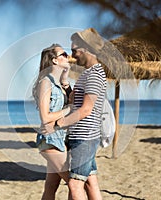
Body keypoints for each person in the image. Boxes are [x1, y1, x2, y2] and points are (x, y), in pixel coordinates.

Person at [54, 28, 107, 200]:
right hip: (82, 137)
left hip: (85, 138)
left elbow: (86, 109)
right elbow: (79, 104)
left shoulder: (95, 75)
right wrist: (68, 89)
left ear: (87, 49)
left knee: (75, 184)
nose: (72, 55)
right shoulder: (88, 74)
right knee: (90, 183)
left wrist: (60, 123)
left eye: (75, 50)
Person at [32, 43, 72, 200]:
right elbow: (45, 116)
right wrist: (68, 109)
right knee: (75, 183)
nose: (68, 56)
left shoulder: (59, 84)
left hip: (60, 138)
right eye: (64, 54)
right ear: (54, 60)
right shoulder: (45, 83)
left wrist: (65, 79)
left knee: (51, 187)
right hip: (50, 140)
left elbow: (73, 100)